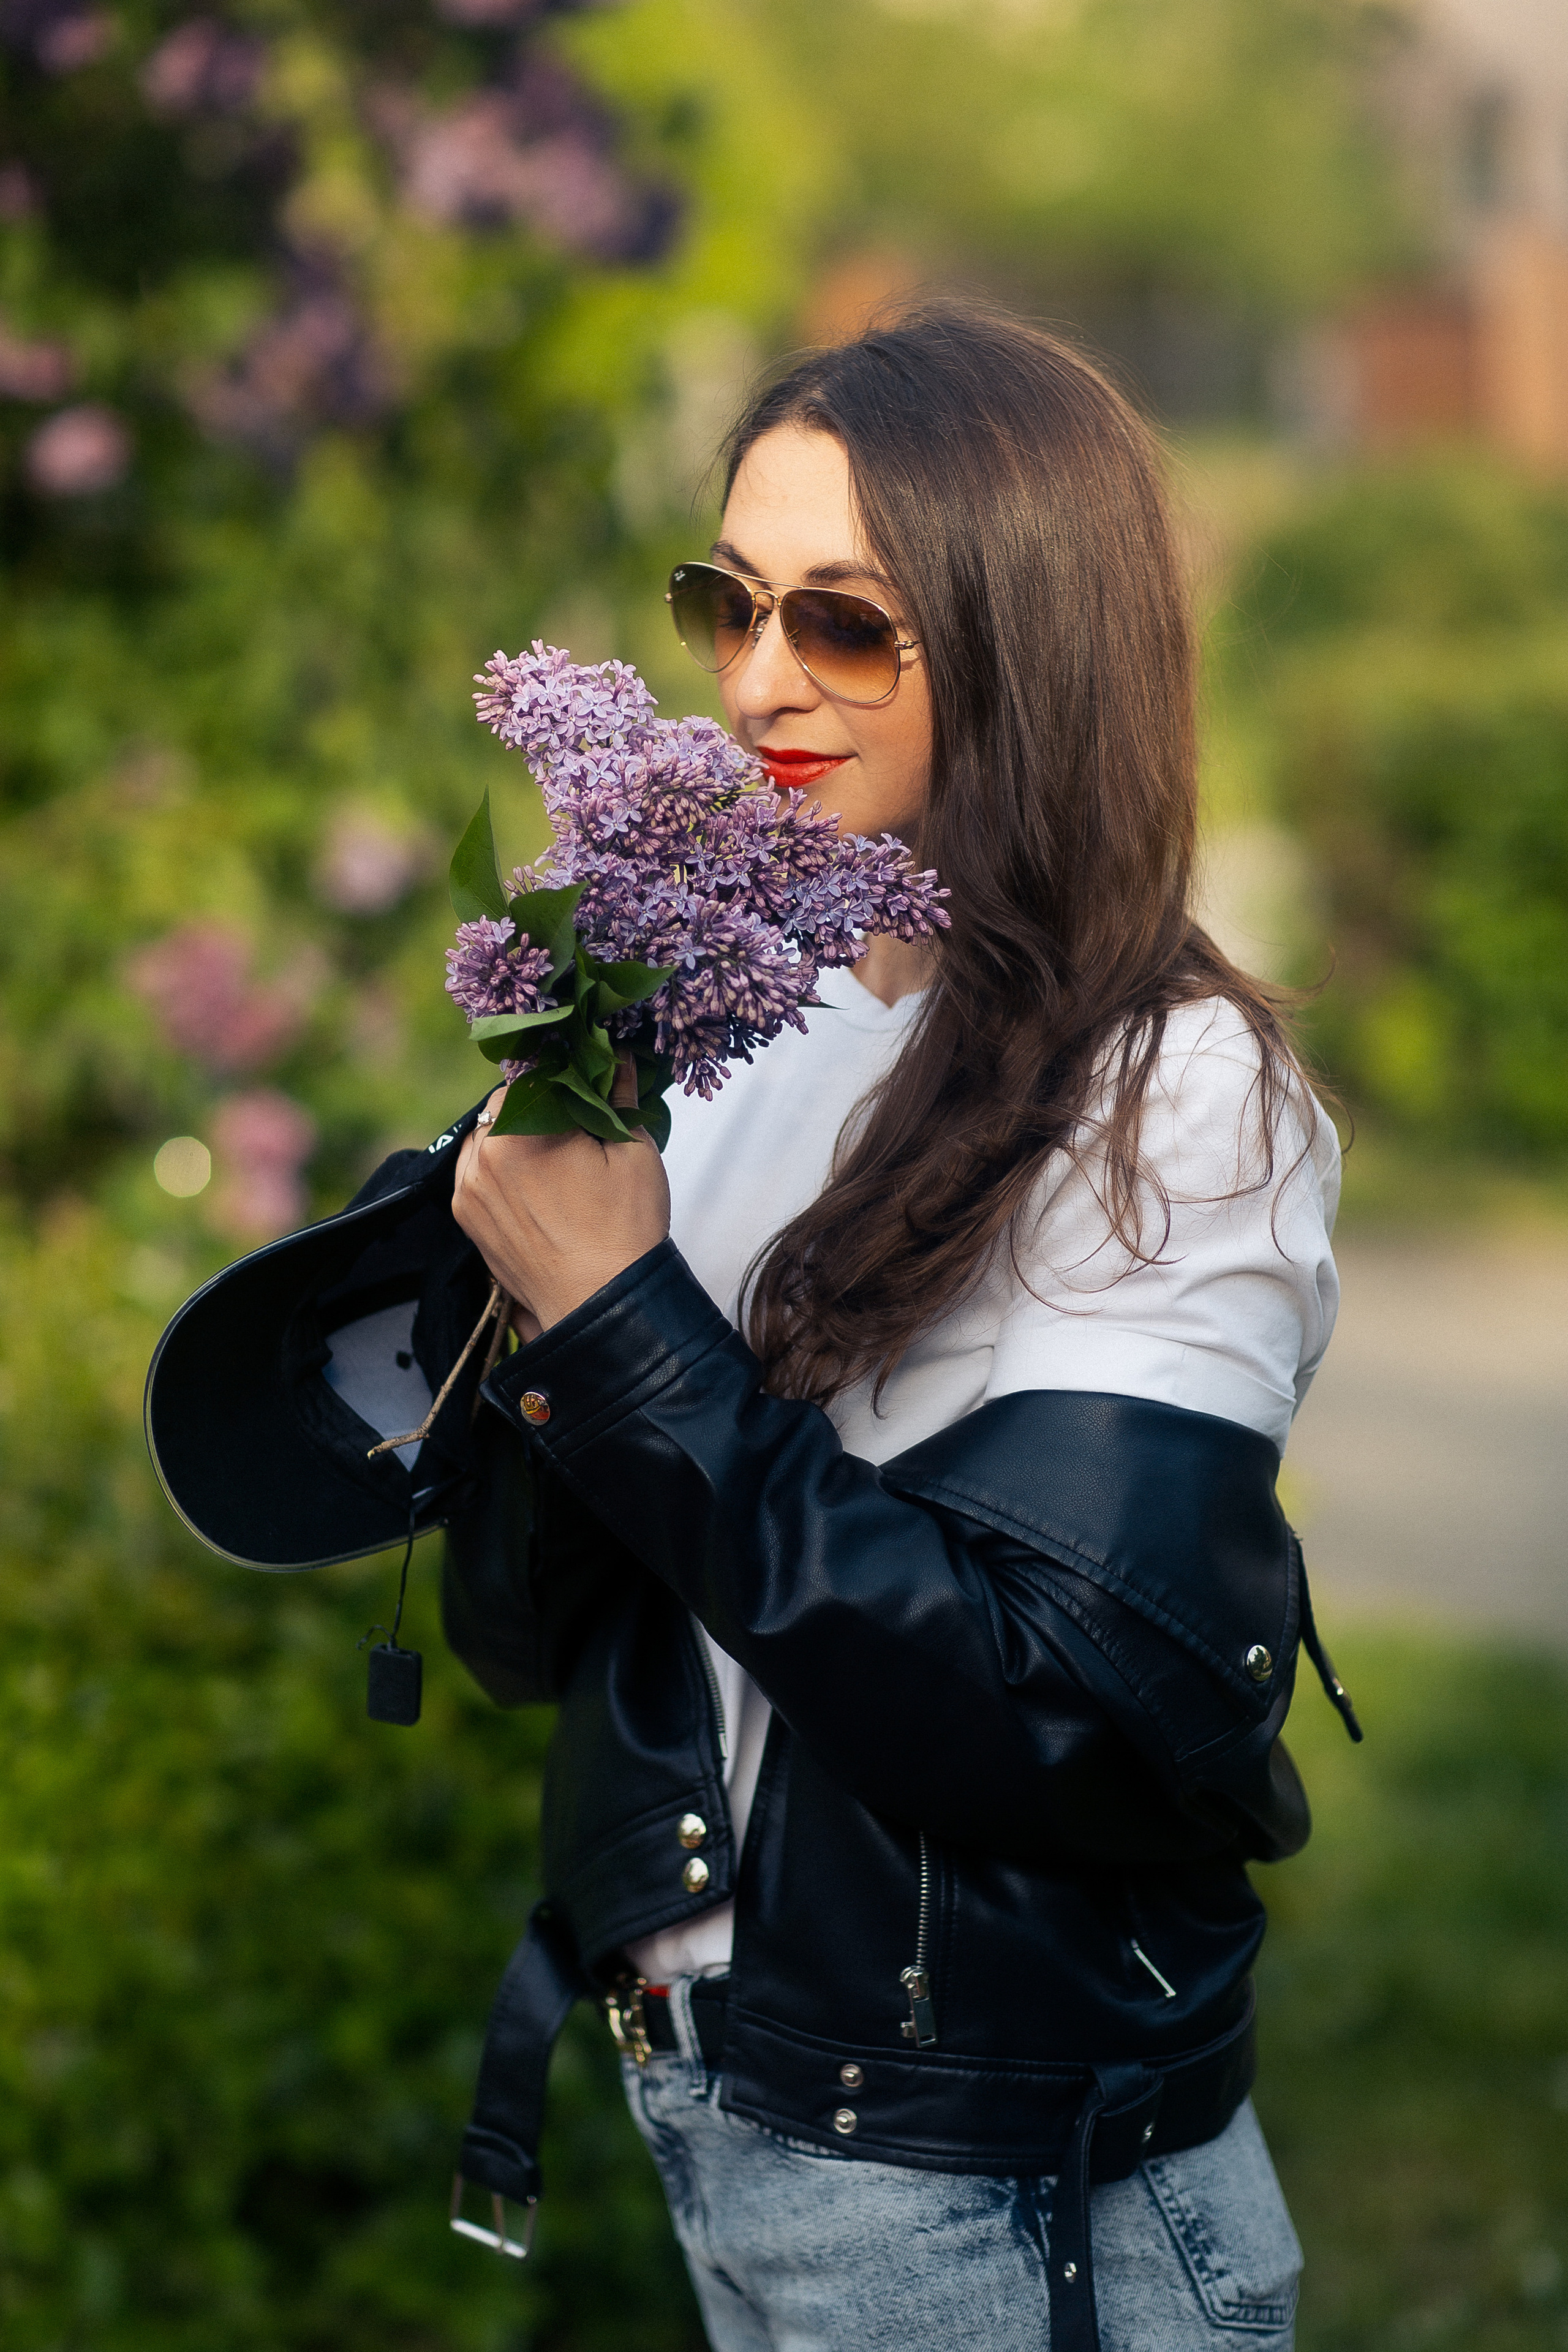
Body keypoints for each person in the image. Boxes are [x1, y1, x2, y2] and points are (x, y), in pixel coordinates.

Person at [441, 304, 1353, 2352]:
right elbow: (545, 1640)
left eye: (848, 625)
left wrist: (626, 1318)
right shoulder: (723, 1037)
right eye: (727, 602)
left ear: (1028, 636)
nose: (761, 680)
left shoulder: (1168, 1094)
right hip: (718, 2104)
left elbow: (1051, 1720)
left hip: (997, 2193)